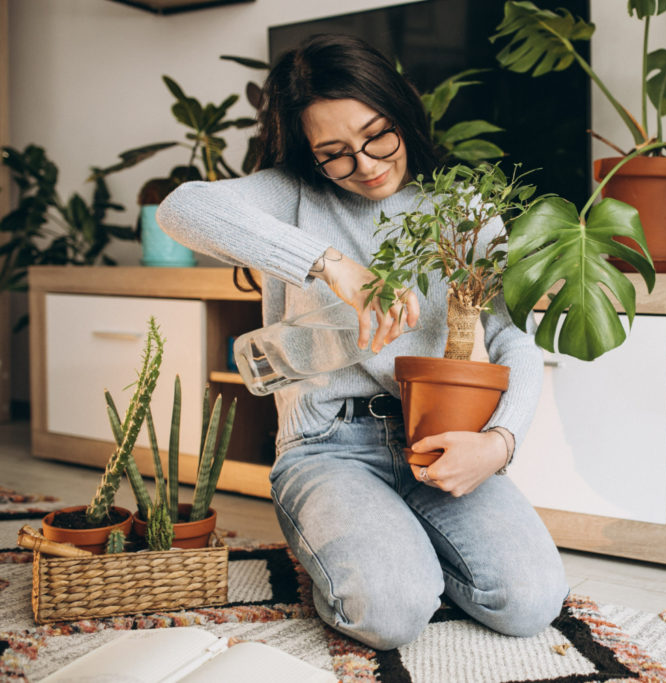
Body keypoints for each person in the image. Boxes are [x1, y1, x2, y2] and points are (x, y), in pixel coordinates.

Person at [157, 34, 568, 650]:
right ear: (309, 152)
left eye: (378, 134)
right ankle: (367, 544)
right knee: (392, 613)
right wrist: (330, 265)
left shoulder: (463, 207)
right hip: (328, 445)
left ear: (400, 111)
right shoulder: (291, 192)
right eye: (336, 153)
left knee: (531, 602)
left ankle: (395, 539)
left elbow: (511, 336)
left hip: (439, 438)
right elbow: (181, 208)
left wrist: (498, 443)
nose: (367, 164)